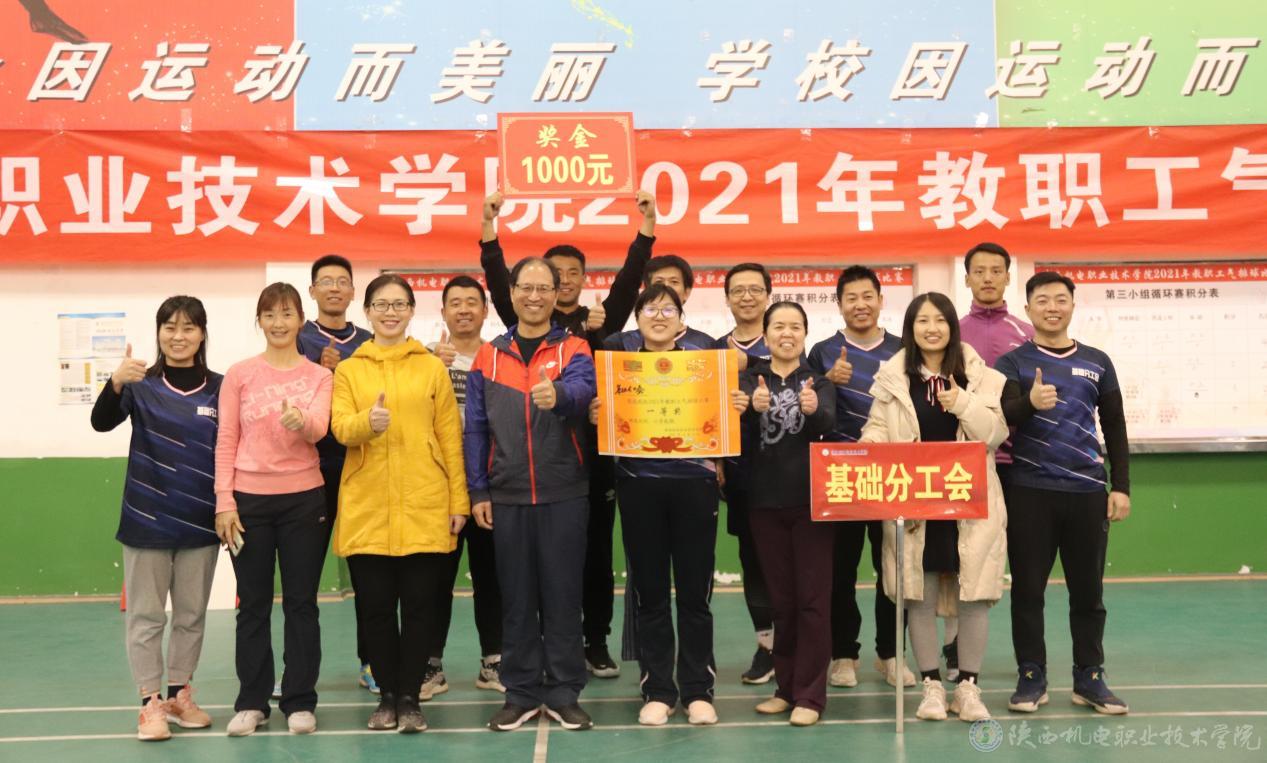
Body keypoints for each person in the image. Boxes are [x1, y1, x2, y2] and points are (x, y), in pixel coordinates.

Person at [480, 190, 657, 679]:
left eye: (571, 273)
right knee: (535, 566)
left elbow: (629, 281)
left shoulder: (599, 322)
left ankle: (594, 640)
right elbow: (497, 279)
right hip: (531, 463)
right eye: (552, 275)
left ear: (578, 280)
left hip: (591, 456)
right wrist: (488, 229)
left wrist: (646, 228)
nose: (561, 282)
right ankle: (543, 645)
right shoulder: (524, 324)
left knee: (596, 554)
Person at [589, 285, 742, 726]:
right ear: (637, 318)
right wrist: (598, 414)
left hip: (695, 486)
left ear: (681, 319)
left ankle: (698, 691)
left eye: (668, 309)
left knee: (695, 596)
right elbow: (602, 419)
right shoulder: (619, 368)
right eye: (650, 309)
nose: (659, 316)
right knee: (650, 594)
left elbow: (725, 420)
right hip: (639, 488)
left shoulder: (704, 365)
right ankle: (657, 689)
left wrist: (734, 405)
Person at [330, 274, 470, 733]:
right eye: (381, 305)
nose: (390, 313)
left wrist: (459, 502)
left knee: (419, 608)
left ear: (411, 311)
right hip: (368, 503)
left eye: (399, 305)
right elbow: (340, 427)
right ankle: (386, 696)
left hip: (424, 502)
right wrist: (366, 423)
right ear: (367, 312)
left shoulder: (431, 368)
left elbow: (449, 438)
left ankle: (410, 698)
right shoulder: (350, 370)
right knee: (374, 609)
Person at [860, 292, 1009, 724]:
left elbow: (995, 434)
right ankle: (931, 686)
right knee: (918, 594)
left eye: (940, 320)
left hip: (969, 502)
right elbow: (876, 429)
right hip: (915, 503)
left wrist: (961, 402)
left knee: (973, 595)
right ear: (911, 328)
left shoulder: (982, 378)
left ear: (952, 326)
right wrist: (868, 446)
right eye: (922, 320)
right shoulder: (892, 380)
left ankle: (968, 688)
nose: (932, 328)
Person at [464, 257, 598, 732]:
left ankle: (564, 692)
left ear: (557, 294)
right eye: (526, 287)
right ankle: (519, 693)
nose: (535, 296)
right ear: (512, 292)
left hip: (564, 492)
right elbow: (475, 428)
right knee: (516, 600)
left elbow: (584, 389)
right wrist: (478, 489)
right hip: (507, 495)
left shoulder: (574, 348)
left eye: (544, 288)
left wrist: (559, 396)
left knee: (563, 596)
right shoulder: (488, 357)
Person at [995, 271, 1132, 716]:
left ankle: (1089, 677)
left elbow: (1114, 426)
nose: (1051, 307)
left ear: (1072, 305)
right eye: (1042, 300)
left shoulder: (1097, 361)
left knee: (1088, 592)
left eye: (1060, 299)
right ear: (1028, 308)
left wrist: (1121, 487)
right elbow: (1004, 415)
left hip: (1088, 491)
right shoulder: (1013, 363)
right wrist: (1029, 403)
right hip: (1029, 490)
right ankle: (1031, 675)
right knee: (1027, 590)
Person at [90, 296, 221, 742]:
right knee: (146, 617)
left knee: (191, 615)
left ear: (202, 334)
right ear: (159, 332)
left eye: (188, 327)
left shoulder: (221, 388)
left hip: (201, 523)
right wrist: (114, 382)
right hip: (146, 521)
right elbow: (101, 423)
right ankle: (150, 703)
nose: (178, 336)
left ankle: (179, 695)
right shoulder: (139, 384)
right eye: (169, 327)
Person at [214, 283, 333, 737]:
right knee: (253, 605)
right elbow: (226, 439)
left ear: (301, 320)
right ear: (259, 321)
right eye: (270, 315)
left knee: (302, 604)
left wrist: (301, 421)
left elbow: (320, 429)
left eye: (287, 314)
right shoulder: (240, 374)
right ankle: (252, 702)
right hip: (248, 503)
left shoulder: (319, 376)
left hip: (304, 500)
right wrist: (224, 501)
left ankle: (300, 700)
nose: (279, 323)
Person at [806, 266, 913, 690]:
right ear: (839, 304)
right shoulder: (822, 352)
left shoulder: (904, 350)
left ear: (881, 300)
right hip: (841, 474)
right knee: (840, 571)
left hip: (893, 472)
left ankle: (890, 653)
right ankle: (843, 654)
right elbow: (808, 405)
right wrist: (826, 381)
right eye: (851, 298)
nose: (860, 305)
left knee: (894, 569)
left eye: (868, 296)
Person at [739, 302, 836, 727]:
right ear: (765, 334)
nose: (787, 333)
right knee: (781, 602)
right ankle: (786, 688)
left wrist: (814, 410)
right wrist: (750, 407)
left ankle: (810, 696)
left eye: (795, 326)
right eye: (778, 326)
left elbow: (829, 422)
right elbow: (732, 426)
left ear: (805, 334)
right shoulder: (748, 380)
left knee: (812, 601)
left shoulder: (819, 380)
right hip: (763, 503)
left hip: (812, 505)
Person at [295, 254, 376, 695]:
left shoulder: (369, 342)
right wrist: (317, 372)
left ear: (352, 292)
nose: (333, 288)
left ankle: (372, 662)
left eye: (342, 281)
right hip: (308, 474)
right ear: (312, 291)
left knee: (369, 576)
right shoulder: (298, 339)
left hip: (361, 469)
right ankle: (297, 672)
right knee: (302, 580)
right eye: (325, 281)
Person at [953, 243, 1034, 680]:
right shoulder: (950, 333)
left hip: (1015, 465)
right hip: (960, 467)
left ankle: (1030, 665)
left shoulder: (1027, 334)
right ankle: (954, 654)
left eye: (996, 271)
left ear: (1007, 277)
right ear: (966, 278)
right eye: (979, 271)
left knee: (1020, 565)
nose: (987, 278)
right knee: (957, 563)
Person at [425, 275, 504, 695]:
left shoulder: (498, 358)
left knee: (491, 577)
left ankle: (494, 661)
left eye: (472, 302)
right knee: (434, 580)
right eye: (454, 303)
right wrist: (430, 369)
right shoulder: (426, 358)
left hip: (488, 483)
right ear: (443, 312)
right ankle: (430, 665)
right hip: (440, 486)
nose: (463, 310)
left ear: (485, 311)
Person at [712, 263, 777, 683]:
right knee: (752, 561)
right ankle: (767, 646)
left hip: (788, 474)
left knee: (790, 562)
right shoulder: (713, 351)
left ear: (768, 295)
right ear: (727, 298)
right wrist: (717, 459)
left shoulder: (786, 340)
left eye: (755, 289)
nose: (747, 297)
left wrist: (749, 362)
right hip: (740, 475)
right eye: (738, 290)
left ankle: (798, 645)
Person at [608, 254, 716, 350]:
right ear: (647, 290)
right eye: (659, 282)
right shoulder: (623, 344)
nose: (666, 287)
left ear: (686, 292)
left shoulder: (707, 345)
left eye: (674, 282)